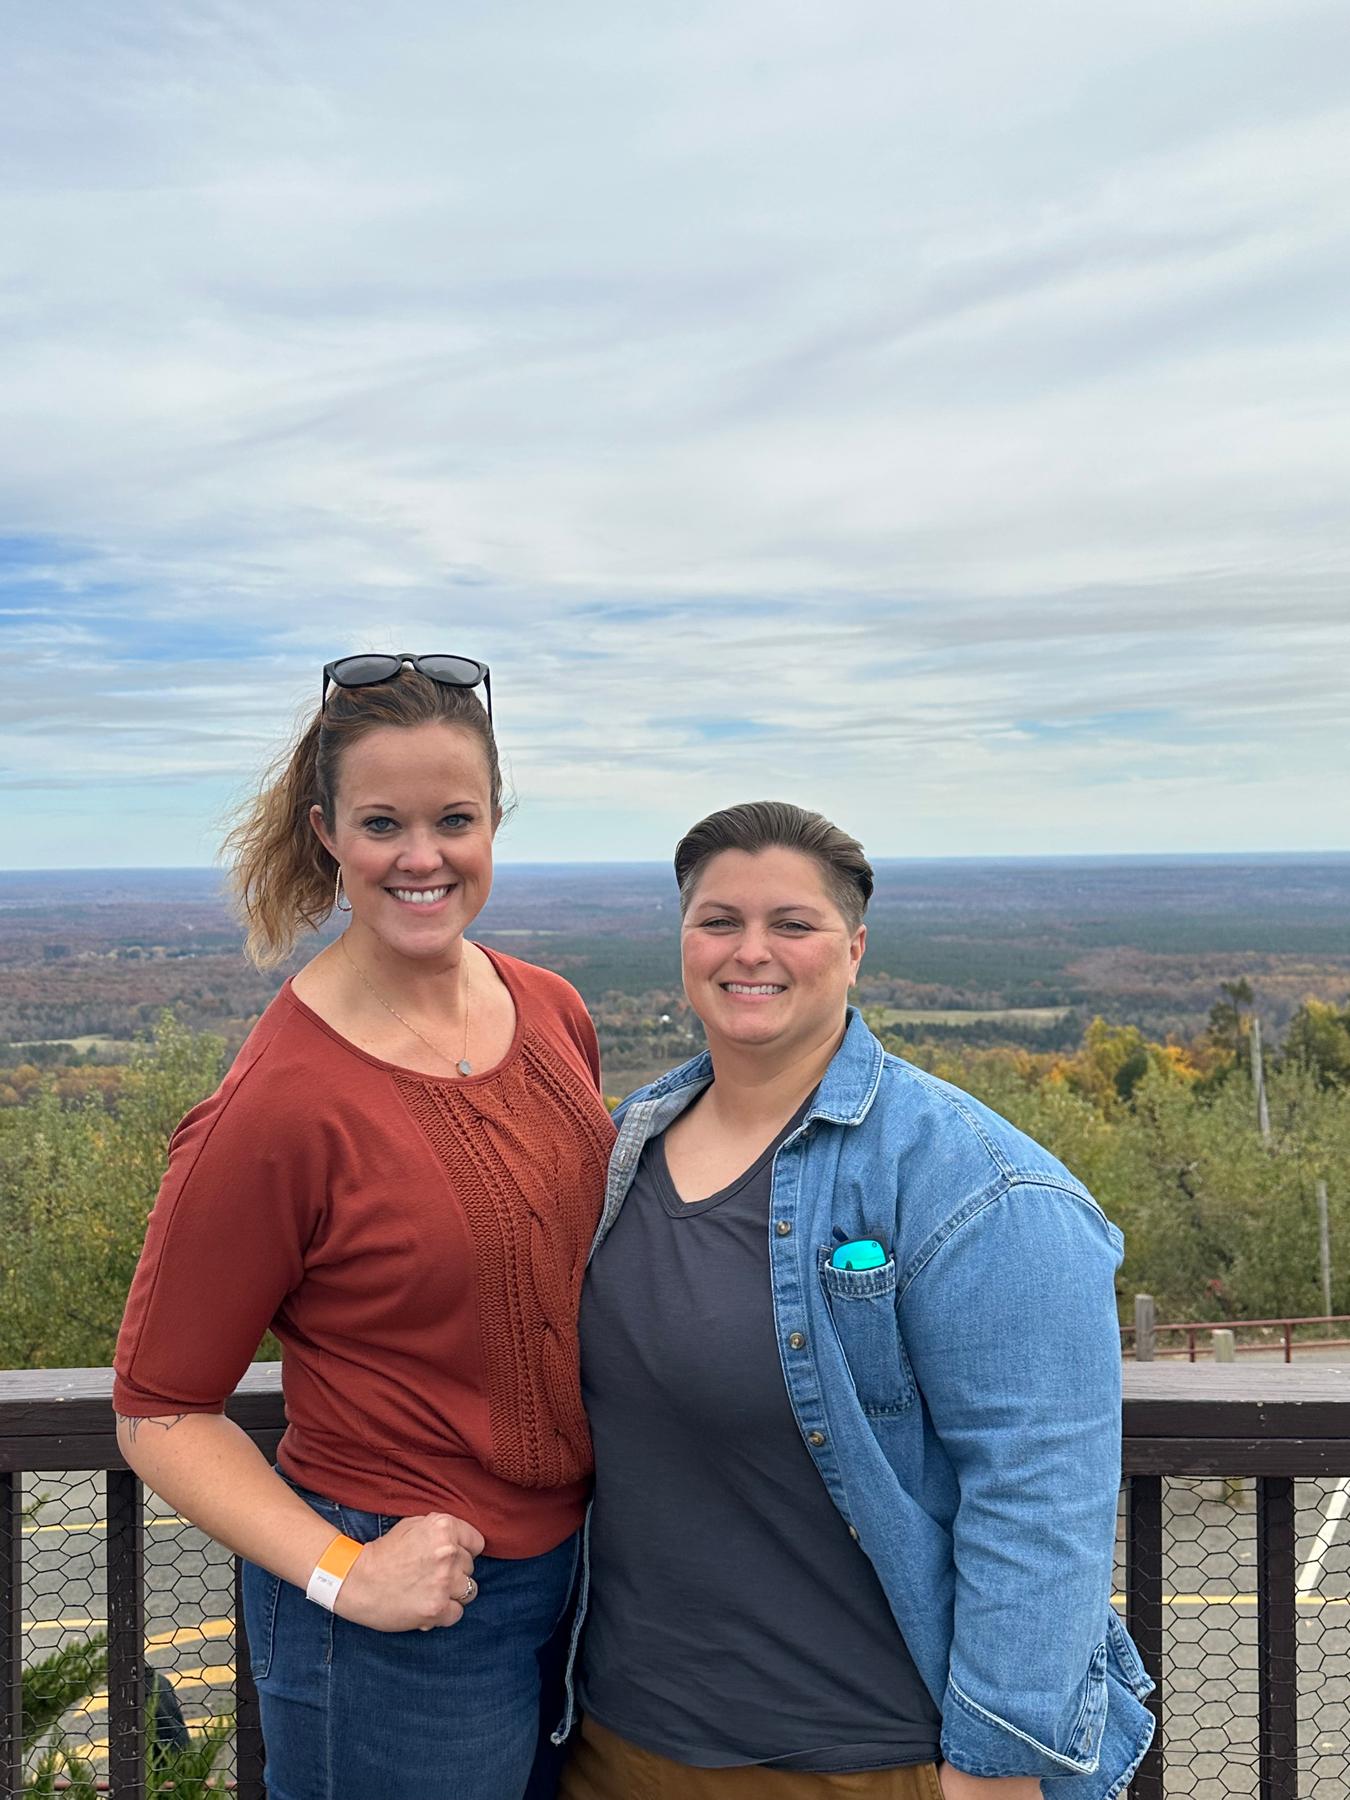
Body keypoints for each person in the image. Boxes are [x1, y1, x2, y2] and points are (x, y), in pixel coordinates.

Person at [560, 801, 1154, 1800]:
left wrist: (998, 1767)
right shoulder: (625, 1149)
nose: (751, 951)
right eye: (719, 921)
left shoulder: (981, 1189)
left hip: (864, 1759)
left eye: (792, 923)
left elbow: (1040, 1495)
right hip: (619, 1741)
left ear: (854, 948)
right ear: (683, 943)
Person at [113, 653, 615, 1800]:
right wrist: (348, 1576)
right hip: (401, 1618)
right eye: (383, 821)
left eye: (455, 818)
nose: (422, 855)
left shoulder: (550, 1011)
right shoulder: (279, 1107)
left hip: (591, 1584)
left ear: (496, 825)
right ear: (328, 832)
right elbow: (158, 1410)